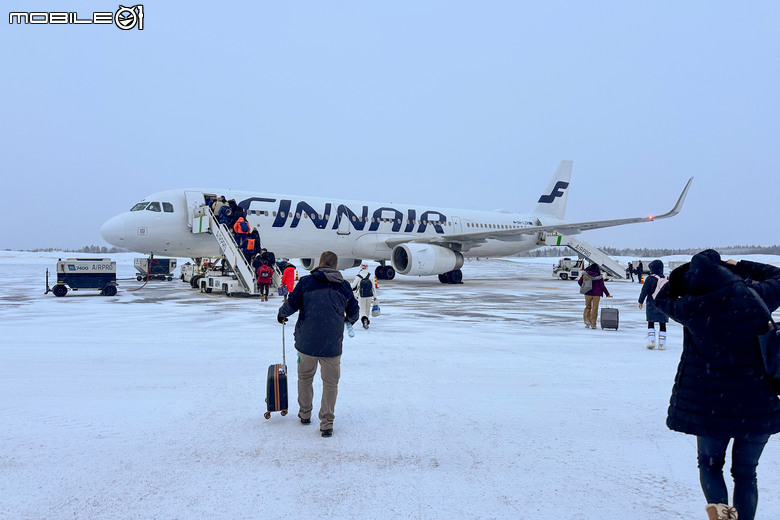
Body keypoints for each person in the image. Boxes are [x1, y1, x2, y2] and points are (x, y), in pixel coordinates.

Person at [653, 249, 780, 520]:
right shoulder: (758, 295)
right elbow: (778, 275)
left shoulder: (690, 307)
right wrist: (740, 264)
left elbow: (662, 297)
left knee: (710, 466)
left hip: (710, 404)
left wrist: (682, 279)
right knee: (747, 472)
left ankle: (722, 516)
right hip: (756, 402)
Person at [277, 251, 359, 438]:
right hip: (332, 345)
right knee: (331, 383)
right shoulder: (344, 286)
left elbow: (291, 304)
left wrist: (282, 314)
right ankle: (327, 424)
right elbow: (354, 311)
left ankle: (305, 414)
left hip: (307, 342)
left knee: (305, 378)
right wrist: (347, 320)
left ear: (320, 263)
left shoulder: (306, 282)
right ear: (336, 266)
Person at [638, 259, 668, 350]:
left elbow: (644, 291)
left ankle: (651, 341)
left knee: (651, 322)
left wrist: (640, 301)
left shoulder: (650, 279)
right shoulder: (666, 279)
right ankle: (662, 344)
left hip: (652, 303)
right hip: (663, 304)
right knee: (662, 323)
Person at [577, 263, 611, 329]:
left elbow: (579, 282)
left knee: (587, 307)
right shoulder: (599, 276)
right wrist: (607, 294)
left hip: (587, 293)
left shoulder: (585, 274)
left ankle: (587, 321)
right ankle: (593, 324)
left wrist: (584, 286)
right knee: (595, 309)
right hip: (596, 294)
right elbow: (602, 286)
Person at [350, 264, 377, 329]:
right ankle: (367, 320)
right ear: (367, 268)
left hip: (361, 295)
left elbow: (353, 286)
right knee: (367, 309)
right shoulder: (371, 276)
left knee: (362, 309)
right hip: (369, 295)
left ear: (361, 268)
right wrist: (375, 297)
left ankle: (364, 320)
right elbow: (373, 288)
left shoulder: (358, 276)